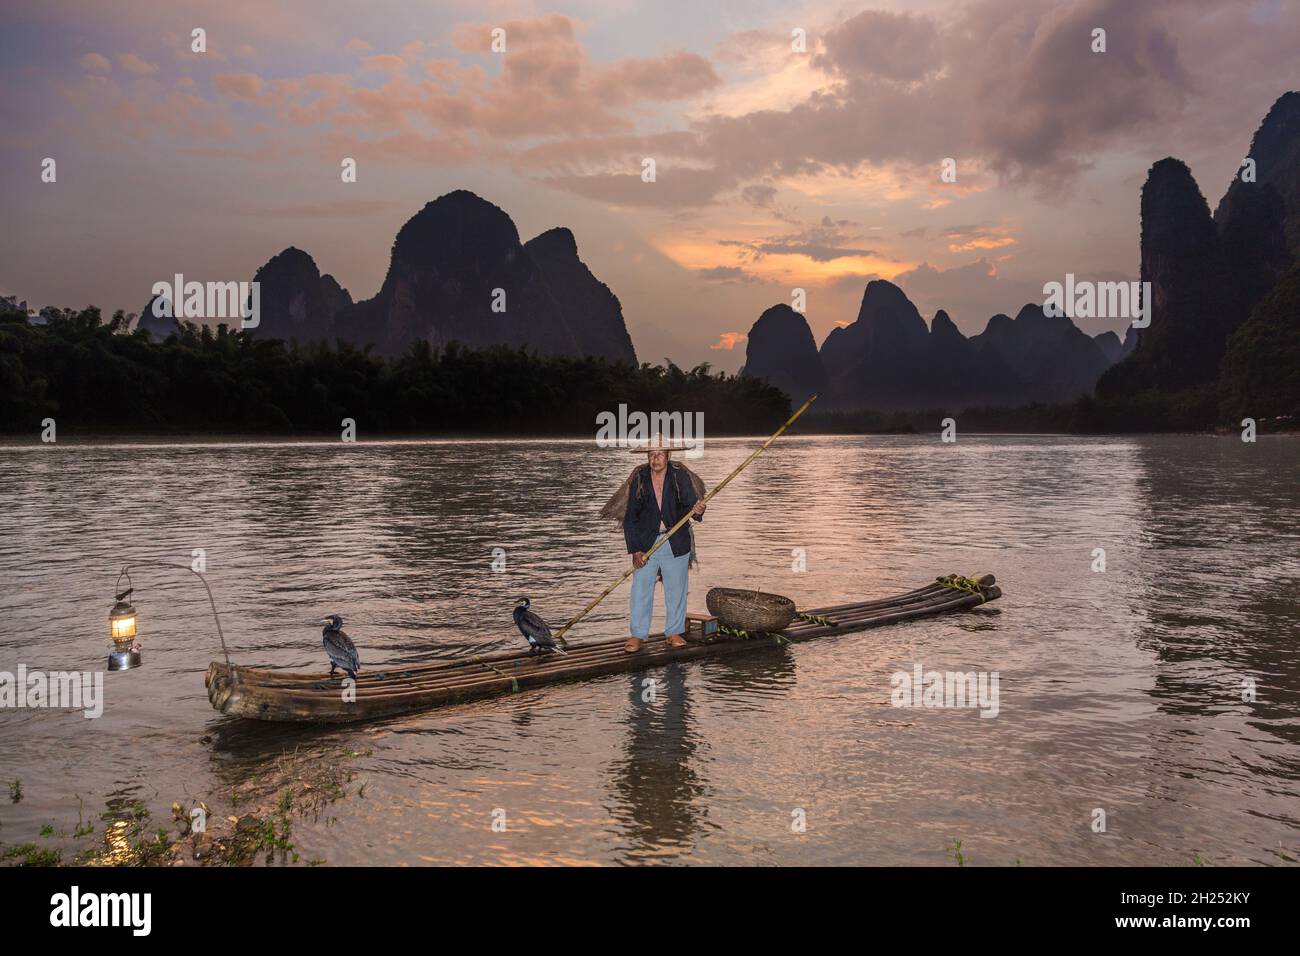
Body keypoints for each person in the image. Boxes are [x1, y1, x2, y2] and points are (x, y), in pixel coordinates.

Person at [614, 436, 706, 652]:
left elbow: (691, 505)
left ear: (668, 456)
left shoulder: (679, 475)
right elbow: (631, 517)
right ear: (647, 457)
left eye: (660, 454)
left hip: (675, 541)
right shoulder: (639, 477)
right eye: (651, 454)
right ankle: (637, 635)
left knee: (676, 589)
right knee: (640, 589)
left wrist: (698, 511)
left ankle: (673, 633)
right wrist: (635, 550)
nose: (656, 459)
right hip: (647, 544)